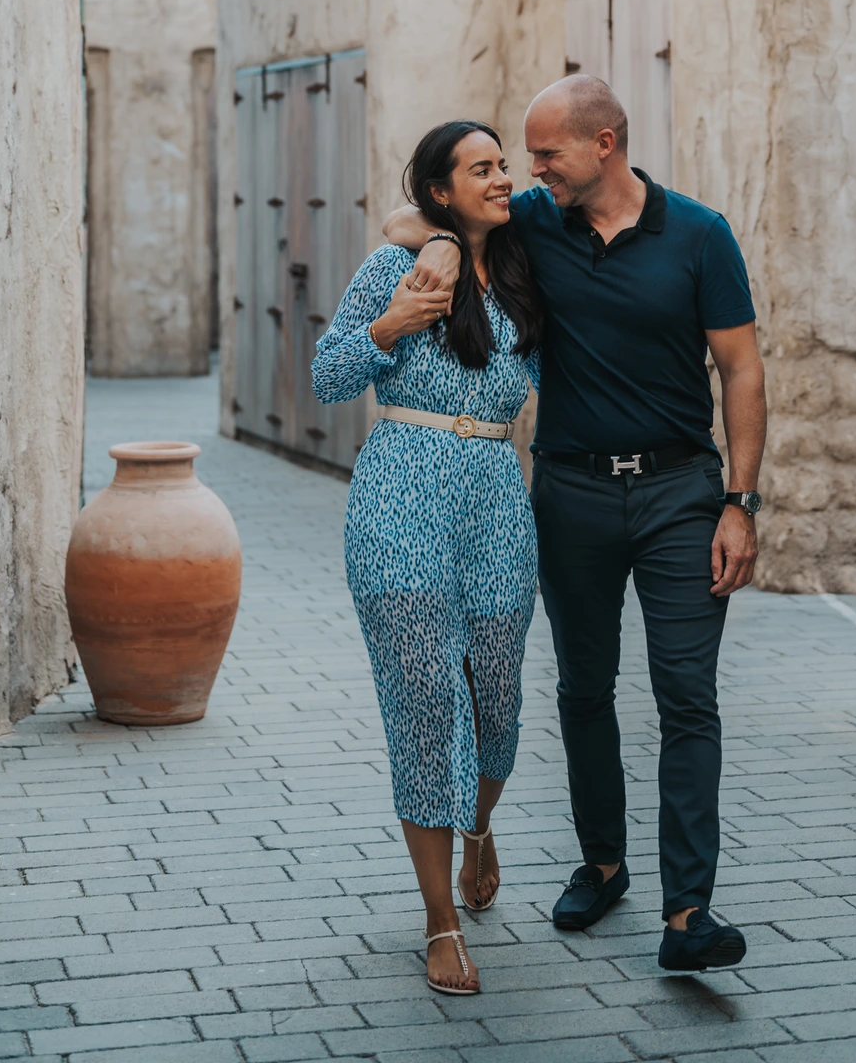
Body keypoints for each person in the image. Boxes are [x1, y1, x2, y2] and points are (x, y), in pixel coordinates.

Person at [384, 75, 766, 974]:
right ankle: (601, 864)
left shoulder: (700, 236)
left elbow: (740, 371)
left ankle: (688, 912)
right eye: (522, 157)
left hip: (681, 493)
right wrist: (440, 241)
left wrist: (739, 505)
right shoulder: (533, 224)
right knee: (585, 690)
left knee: (685, 694)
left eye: (545, 152)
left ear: (605, 144)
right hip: (569, 494)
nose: (529, 171)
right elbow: (411, 218)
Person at [312, 119, 544, 998]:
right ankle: (438, 920)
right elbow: (328, 375)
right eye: (480, 168)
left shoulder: (525, 265)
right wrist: (390, 325)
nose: (500, 177)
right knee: (423, 706)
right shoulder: (394, 274)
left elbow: (416, 218)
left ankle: (478, 825)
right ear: (441, 188)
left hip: (494, 495)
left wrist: (445, 237)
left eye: (502, 165)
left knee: (497, 703)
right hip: (399, 495)